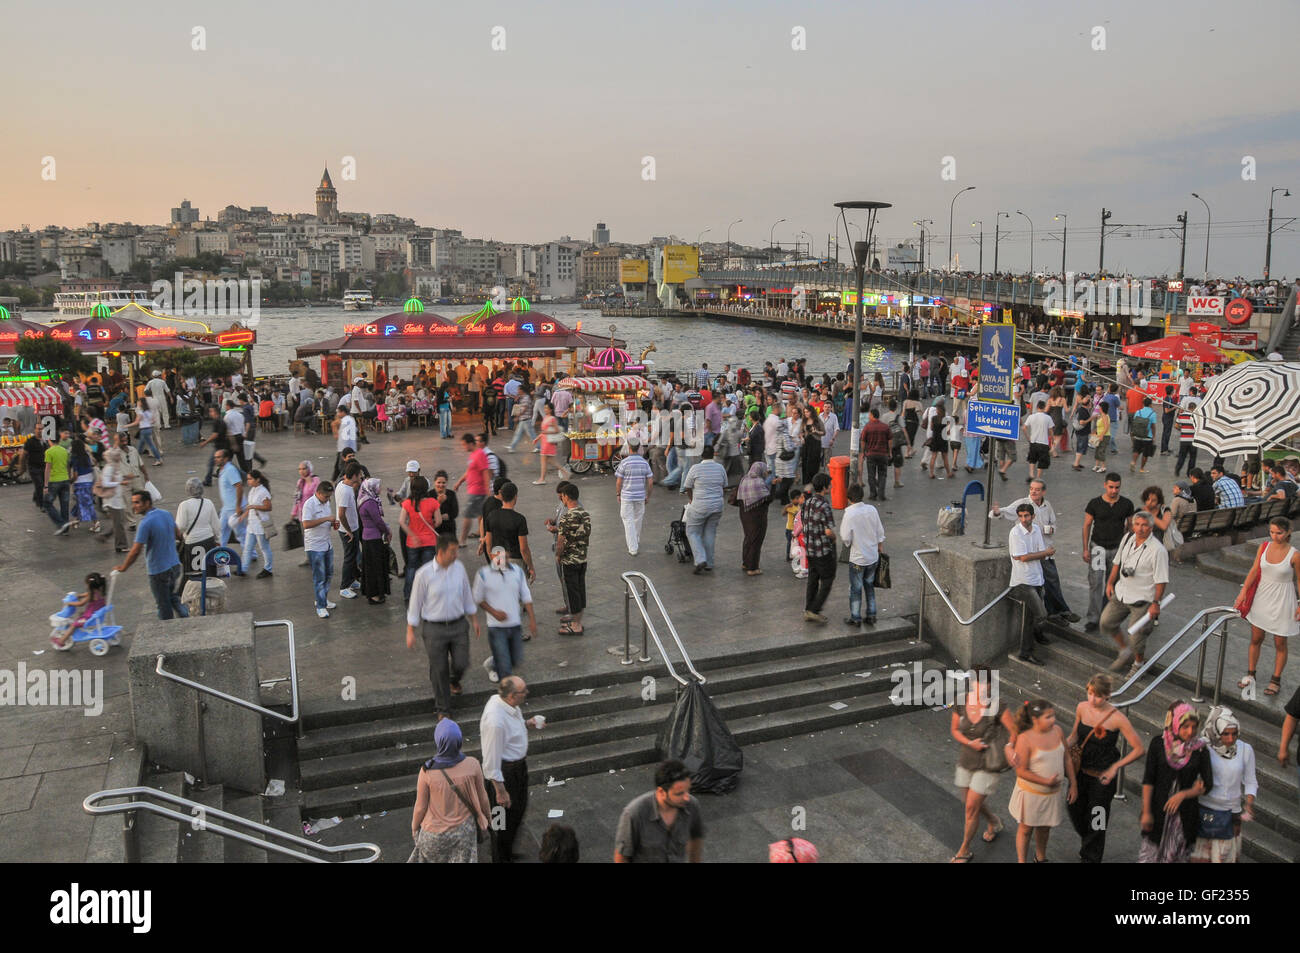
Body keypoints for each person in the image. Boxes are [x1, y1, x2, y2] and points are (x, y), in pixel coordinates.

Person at [1064, 674, 1144, 862]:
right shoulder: (1081, 708)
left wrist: (1115, 767)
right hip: (1081, 771)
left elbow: (1139, 748)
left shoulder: (1118, 718)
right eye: (1090, 694)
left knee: (1097, 817)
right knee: (1073, 807)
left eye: (1098, 696)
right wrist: (1059, 748)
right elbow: (1075, 735)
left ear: (1107, 695)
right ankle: (1090, 841)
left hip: (1102, 777)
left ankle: (1091, 856)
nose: (1093, 699)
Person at [406, 535, 481, 718]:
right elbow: (415, 604)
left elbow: (466, 594)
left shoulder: (459, 569)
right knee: (439, 669)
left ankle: (454, 681)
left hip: (458, 625)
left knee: (461, 662)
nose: (456, 555)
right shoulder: (423, 574)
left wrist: (474, 618)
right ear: (441, 552)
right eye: (452, 552)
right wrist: (411, 630)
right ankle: (443, 709)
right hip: (434, 629)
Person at [949, 671, 1018, 863]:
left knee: (971, 808)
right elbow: (954, 729)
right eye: (979, 683)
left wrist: (1010, 747)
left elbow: (1014, 731)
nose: (984, 687)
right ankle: (994, 821)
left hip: (989, 762)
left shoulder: (998, 705)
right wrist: (970, 743)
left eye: (987, 683)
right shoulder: (961, 701)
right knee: (970, 803)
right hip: (967, 758)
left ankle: (964, 851)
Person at [407, 719, 491, 863]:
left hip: (433, 836)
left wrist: (414, 827)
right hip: (463, 835)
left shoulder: (427, 771)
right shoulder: (473, 765)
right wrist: (489, 819)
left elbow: (420, 807)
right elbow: (483, 798)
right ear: (459, 740)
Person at [1234, 516, 1300, 697]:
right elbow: (1254, 570)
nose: (1275, 536)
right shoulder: (1264, 547)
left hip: (1283, 599)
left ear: (1288, 533)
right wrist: (1243, 592)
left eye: (1279, 533)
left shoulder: (1294, 555)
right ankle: (1251, 673)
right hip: (1262, 596)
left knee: (1280, 642)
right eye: (1272, 532)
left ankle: (1275, 679)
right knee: (1256, 637)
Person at [1140, 702, 1212, 863]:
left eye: (1194, 727)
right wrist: (1146, 811)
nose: (1190, 731)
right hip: (1158, 810)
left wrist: (1183, 794)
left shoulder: (1199, 750)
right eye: (1185, 726)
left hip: (1184, 817)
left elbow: (1208, 783)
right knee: (1150, 855)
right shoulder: (1158, 744)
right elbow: (1148, 779)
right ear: (1175, 724)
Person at [480, 676, 543, 862]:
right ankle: (500, 856)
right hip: (503, 776)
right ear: (512, 696)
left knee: (517, 813)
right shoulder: (495, 721)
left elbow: (511, 731)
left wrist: (527, 724)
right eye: (524, 691)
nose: (527, 693)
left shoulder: (509, 706)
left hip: (517, 770)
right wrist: (500, 791)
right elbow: (491, 763)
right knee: (500, 823)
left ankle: (506, 851)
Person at [1009, 699, 1076, 863]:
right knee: (1025, 830)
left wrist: (1074, 784)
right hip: (1031, 795)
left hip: (1051, 794)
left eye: (1053, 716)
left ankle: (1040, 858)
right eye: (1048, 717)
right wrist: (1045, 781)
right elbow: (1021, 771)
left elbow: (1067, 758)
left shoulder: (1058, 731)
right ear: (1035, 719)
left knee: (1045, 828)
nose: (1053, 720)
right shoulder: (1025, 739)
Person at [1103, 510, 1169, 674]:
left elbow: (1161, 580)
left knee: (1137, 637)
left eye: (1144, 525)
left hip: (1143, 600)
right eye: (1137, 524)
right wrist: (1110, 582)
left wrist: (1156, 603)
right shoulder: (1127, 539)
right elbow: (1117, 562)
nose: (1140, 528)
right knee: (1106, 622)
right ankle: (1124, 650)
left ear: (1151, 528)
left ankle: (1138, 664)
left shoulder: (1158, 550)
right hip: (1122, 593)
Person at [1190, 706, 1258, 864]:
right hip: (1203, 810)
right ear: (1215, 731)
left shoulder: (1245, 750)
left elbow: (1250, 781)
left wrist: (1249, 803)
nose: (1230, 739)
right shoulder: (1201, 746)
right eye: (1225, 734)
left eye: (1234, 733)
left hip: (1230, 814)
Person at [114, 489, 189, 620]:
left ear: (147, 503)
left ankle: (167, 631)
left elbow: (136, 550)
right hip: (174, 565)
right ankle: (185, 616)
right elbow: (178, 534)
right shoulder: (166, 514)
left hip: (159, 571)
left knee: (163, 605)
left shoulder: (145, 523)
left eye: (137, 503)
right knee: (172, 596)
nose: (134, 506)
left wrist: (123, 567)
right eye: (133, 503)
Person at [614, 759, 704, 863]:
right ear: (661, 792)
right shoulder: (634, 813)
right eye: (679, 794)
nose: (686, 798)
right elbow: (621, 857)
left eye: (687, 791)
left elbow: (696, 840)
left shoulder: (692, 805)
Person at [1082, 473, 1135, 633]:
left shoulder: (1126, 504)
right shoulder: (1094, 503)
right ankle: (1093, 618)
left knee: (1112, 585)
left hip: (1117, 550)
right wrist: (1085, 548)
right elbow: (1087, 525)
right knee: (1096, 583)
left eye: (1117, 487)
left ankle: (1106, 616)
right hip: (1097, 547)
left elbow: (1130, 526)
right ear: (1105, 485)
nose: (1114, 490)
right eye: (1111, 487)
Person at [475, 547, 537, 681]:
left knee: (515, 658)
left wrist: (532, 620)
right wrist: (494, 612)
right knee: (505, 663)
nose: (500, 560)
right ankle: (507, 690)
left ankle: (492, 663)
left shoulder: (517, 572)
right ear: (491, 557)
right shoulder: (484, 574)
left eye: (503, 556)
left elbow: (526, 596)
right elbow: (478, 598)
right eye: (497, 557)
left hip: (514, 622)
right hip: (496, 625)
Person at [1008, 503, 1052, 665]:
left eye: (1027, 515)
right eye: (1021, 516)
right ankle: (1037, 635)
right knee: (1041, 614)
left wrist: (1043, 553)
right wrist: (1046, 552)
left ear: (1033, 516)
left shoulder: (1036, 530)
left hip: (1036, 578)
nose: (1024, 519)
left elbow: (1039, 554)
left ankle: (1026, 652)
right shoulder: (1015, 532)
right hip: (1023, 582)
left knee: (1029, 618)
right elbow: (1022, 557)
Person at [840, 483, 885, 627]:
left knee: (856, 589)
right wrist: (879, 545)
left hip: (858, 559)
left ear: (848, 498)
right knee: (869, 586)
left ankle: (856, 617)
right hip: (873, 556)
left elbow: (845, 537)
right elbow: (880, 531)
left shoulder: (849, 514)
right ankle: (871, 615)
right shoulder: (872, 509)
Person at [682, 444, 728, 574]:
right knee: (710, 533)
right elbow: (724, 486)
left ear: (701, 455)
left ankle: (700, 559)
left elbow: (687, 486)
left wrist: (692, 500)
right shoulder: (720, 468)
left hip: (699, 506)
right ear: (714, 454)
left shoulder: (695, 468)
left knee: (692, 532)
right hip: (717, 506)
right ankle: (709, 563)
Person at [801, 473, 837, 623]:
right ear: (824, 487)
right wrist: (834, 538)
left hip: (809, 548)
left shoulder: (807, 503)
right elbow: (828, 531)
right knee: (828, 579)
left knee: (813, 579)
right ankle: (815, 609)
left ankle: (809, 608)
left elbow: (804, 522)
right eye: (829, 484)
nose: (831, 486)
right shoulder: (824, 505)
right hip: (822, 550)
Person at [555, 482, 590, 636]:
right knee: (580, 590)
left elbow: (560, 541)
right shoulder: (585, 514)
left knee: (573, 592)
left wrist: (558, 555)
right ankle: (578, 620)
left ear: (567, 497)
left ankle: (576, 625)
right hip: (583, 558)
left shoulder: (566, 518)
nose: (561, 499)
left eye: (562, 496)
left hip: (570, 560)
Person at [301, 479, 339, 619]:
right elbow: (306, 524)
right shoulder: (309, 505)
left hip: (327, 544)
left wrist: (332, 523)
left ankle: (322, 598)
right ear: (318, 493)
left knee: (329, 574)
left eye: (329, 497)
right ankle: (320, 606)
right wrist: (326, 519)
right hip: (315, 546)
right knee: (319, 577)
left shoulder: (326, 503)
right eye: (326, 496)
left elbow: (327, 521)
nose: (328, 499)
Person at [482, 481, 535, 583]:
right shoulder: (519, 519)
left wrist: (492, 560)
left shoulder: (491, 516)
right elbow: (523, 549)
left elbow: (488, 543)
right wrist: (531, 567)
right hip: (515, 561)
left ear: (501, 496)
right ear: (515, 497)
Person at [399, 476, 440, 605]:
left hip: (412, 542)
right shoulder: (433, 502)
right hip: (429, 541)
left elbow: (401, 521)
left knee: (411, 568)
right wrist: (431, 524)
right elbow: (439, 521)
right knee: (428, 569)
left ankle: (408, 595)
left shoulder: (407, 503)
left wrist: (412, 535)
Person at [49, 572, 109, 651]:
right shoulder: (100, 592)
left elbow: (81, 603)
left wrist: (69, 603)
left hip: (89, 618)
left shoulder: (92, 595)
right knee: (81, 614)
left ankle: (61, 640)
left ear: (89, 585)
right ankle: (78, 626)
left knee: (73, 625)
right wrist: (79, 595)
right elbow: (86, 594)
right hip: (97, 615)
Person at [614, 441, 653, 557]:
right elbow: (650, 482)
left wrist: (618, 494)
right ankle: (635, 540)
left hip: (627, 496)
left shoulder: (624, 463)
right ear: (639, 448)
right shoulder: (644, 463)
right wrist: (648, 496)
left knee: (628, 520)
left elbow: (619, 481)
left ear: (629, 448)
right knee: (637, 519)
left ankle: (633, 548)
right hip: (640, 496)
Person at [733, 461, 772, 576]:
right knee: (756, 541)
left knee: (748, 538)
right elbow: (767, 499)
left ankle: (745, 563)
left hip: (744, 514)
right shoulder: (759, 482)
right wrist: (773, 486)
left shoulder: (744, 479)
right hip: (757, 516)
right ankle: (753, 568)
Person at [357, 477, 391, 605]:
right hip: (374, 539)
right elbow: (378, 521)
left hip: (367, 537)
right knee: (375, 567)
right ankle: (375, 594)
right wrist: (387, 531)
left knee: (369, 566)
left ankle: (371, 593)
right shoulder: (370, 503)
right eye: (378, 486)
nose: (380, 489)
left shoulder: (363, 499)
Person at [238, 469, 274, 579]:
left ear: (257, 479)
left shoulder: (263, 492)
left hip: (260, 525)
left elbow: (268, 507)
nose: (248, 481)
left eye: (250, 479)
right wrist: (243, 516)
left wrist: (254, 506)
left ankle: (268, 569)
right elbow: (250, 506)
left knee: (264, 547)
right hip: (252, 525)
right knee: (248, 547)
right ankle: (243, 568)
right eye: (247, 479)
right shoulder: (252, 490)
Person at [453, 433, 490, 543]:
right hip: (473, 489)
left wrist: (488, 490)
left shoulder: (479, 454)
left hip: (477, 491)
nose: (463, 447)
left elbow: (485, 472)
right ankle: (484, 536)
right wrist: (459, 482)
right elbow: (469, 471)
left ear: (470, 443)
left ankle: (462, 540)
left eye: (464, 445)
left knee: (467, 514)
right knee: (481, 514)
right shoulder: (473, 454)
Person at [93, 447, 130, 552]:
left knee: (120, 521)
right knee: (119, 523)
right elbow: (105, 483)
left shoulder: (115, 467)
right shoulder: (109, 468)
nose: (119, 457)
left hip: (117, 499)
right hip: (112, 501)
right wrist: (120, 483)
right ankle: (121, 545)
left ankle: (105, 536)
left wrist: (125, 478)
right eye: (117, 455)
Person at [335, 463, 363, 598]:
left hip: (352, 527)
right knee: (349, 558)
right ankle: (344, 587)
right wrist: (349, 531)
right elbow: (341, 514)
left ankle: (352, 580)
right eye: (360, 474)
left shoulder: (343, 484)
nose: (362, 476)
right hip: (348, 530)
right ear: (355, 475)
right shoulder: (345, 491)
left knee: (352, 556)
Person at [858, 407, 892, 501]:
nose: (869, 416)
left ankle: (873, 494)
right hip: (883, 454)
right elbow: (890, 439)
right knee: (882, 474)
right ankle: (881, 494)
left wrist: (863, 452)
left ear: (872, 415)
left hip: (871, 454)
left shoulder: (867, 427)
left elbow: (863, 440)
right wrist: (889, 452)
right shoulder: (885, 427)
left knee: (871, 475)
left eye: (869, 415)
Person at [43, 431, 72, 533]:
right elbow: (68, 465)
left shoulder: (49, 452)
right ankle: (65, 529)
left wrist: (46, 485)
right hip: (65, 480)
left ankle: (61, 523)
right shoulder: (64, 451)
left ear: (49, 440)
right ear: (59, 440)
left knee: (47, 503)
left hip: (54, 481)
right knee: (64, 504)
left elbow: (47, 469)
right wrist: (69, 477)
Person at [1024, 400, 1053, 484]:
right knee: (1042, 461)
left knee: (1032, 459)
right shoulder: (1048, 417)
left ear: (1037, 407)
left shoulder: (1031, 417)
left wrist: (1028, 437)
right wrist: (1053, 440)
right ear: (1044, 407)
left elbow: (1024, 428)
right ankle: (1038, 478)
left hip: (1033, 441)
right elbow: (1051, 430)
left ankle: (1031, 474)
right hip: (1044, 442)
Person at [1129, 396, 1158, 474]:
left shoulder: (1138, 412)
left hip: (1138, 434)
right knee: (1145, 453)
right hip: (1147, 436)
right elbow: (1153, 426)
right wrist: (1154, 436)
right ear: (1151, 404)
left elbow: (1135, 422)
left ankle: (1133, 462)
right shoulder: (1153, 413)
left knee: (1136, 450)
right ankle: (1141, 468)